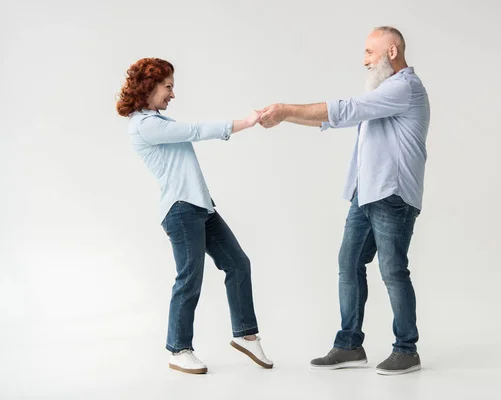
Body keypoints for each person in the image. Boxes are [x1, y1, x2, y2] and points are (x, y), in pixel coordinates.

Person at [259, 26, 430, 375]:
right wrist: (285, 116)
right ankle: (349, 345)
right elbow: (339, 119)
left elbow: (347, 110)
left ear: (392, 52)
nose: (364, 60)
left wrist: (285, 108)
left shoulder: (404, 88)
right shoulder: (385, 92)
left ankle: (406, 349)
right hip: (365, 193)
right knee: (349, 265)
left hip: (392, 195)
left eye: (370, 52)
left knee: (393, 271)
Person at [116, 58, 273, 374]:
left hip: (201, 207)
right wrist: (245, 122)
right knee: (190, 278)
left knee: (238, 263)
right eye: (168, 86)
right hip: (181, 209)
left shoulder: (157, 120)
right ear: (150, 85)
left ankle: (246, 334)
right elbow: (197, 130)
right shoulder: (145, 124)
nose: (172, 94)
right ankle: (179, 349)